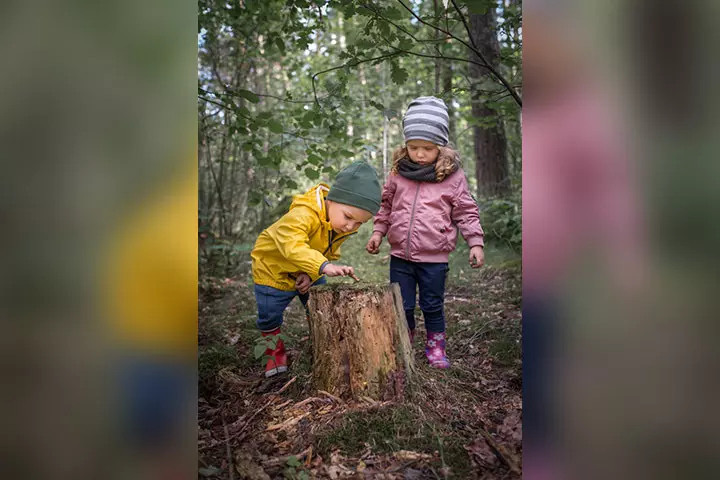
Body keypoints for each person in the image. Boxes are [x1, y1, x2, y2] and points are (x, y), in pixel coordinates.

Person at [366, 96, 485, 369]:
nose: (419, 154)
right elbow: (386, 205)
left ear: (440, 147)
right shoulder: (398, 172)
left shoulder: (452, 176)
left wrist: (475, 242)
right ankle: (404, 343)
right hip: (401, 256)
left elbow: (466, 211)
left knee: (432, 305)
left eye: (427, 148)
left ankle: (436, 347)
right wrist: (377, 233)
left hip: (434, 258)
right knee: (403, 305)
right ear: (405, 145)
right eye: (413, 147)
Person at [251, 161, 381, 377]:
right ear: (332, 200)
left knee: (319, 305)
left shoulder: (338, 225)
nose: (351, 226)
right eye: (348, 217)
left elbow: (325, 250)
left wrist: (310, 274)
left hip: (308, 268)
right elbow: (292, 246)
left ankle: (323, 343)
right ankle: (274, 352)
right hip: (273, 271)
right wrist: (322, 266)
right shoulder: (304, 214)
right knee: (269, 314)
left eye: (359, 223)